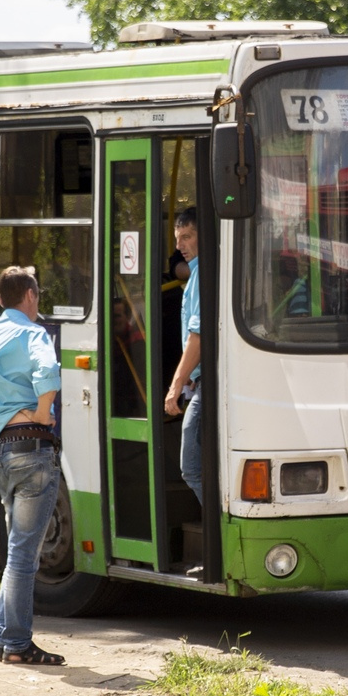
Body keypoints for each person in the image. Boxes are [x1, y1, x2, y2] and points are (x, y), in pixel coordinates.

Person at [0, 265, 64, 665]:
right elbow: (48, 373)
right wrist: (42, 413)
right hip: (32, 450)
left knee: (16, 552)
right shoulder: (32, 332)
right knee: (24, 555)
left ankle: (5, 641)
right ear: (30, 297)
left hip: (0, 451)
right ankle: (18, 644)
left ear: (1, 299)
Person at [162, 207, 204, 506]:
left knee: (191, 469)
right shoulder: (198, 273)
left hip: (205, 387)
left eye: (187, 237)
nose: (180, 246)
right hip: (199, 382)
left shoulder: (201, 274)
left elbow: (197, 337)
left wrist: (175, 386)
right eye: (178, 238)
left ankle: (219, 536)